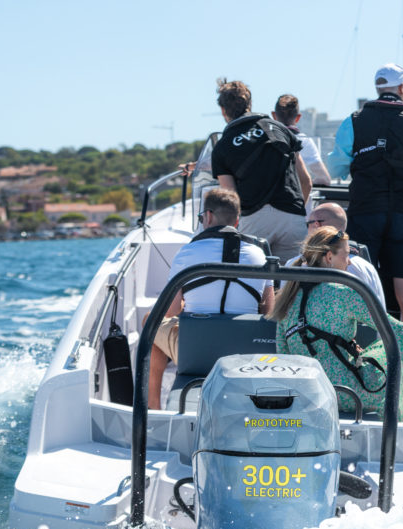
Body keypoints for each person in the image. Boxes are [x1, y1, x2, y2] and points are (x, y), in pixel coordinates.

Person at [270, 228, 403, 421]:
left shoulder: (288, 297)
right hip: (345, 393)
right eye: (346, 256)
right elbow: (400, 331)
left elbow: (284, 353)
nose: (348, 263)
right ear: (329, 257)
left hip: (309, 394)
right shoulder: (343, 292)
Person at [326, 63, 403, 334]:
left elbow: (335, 169)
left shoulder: (354, 120)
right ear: (402, 88)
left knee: (359, 288)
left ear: (378, 88)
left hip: (365, 211)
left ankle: (362, 359)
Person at [148, 188, 274, 409]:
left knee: (151, 320)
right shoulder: (258, 254)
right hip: (245, 356)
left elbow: (171, 311)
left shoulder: (187, 253)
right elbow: (269, 311)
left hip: (196, 354)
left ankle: (153, 406)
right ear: (237, 220)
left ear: (207, 216)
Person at [209, 79, 312, 261]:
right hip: (291, 216)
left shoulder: (222, 146)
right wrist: (294, 210)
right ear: (249, 104)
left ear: (224, 111)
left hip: (253, 219)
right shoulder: (279, 128)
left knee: (254, 284)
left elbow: (230, 198)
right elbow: (305, 181)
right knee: (293, 284)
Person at [285, 202, 385, 306]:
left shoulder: (293, 265)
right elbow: (379, 314)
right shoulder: (366, 267)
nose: (349, 262)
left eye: (308, 224)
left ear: (316, 224)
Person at [272, 94, 331, 186]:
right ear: (298, 117)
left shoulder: (267, 139)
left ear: (274, 115)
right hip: (299, 199)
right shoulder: (305, 141)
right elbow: (324, 179)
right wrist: (301, 184)